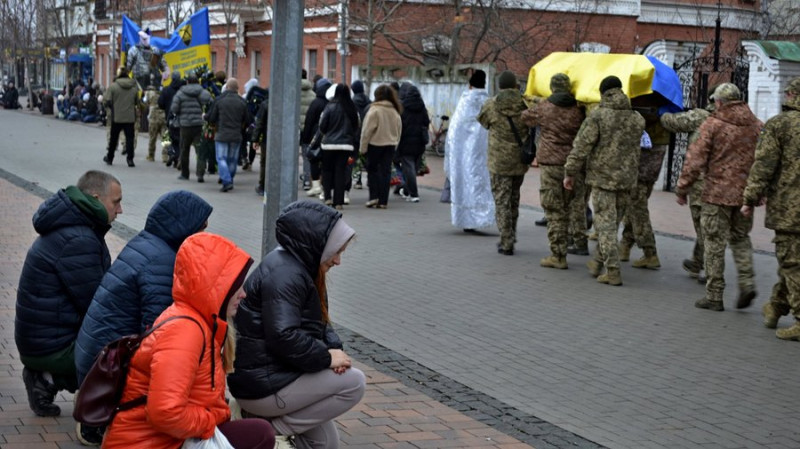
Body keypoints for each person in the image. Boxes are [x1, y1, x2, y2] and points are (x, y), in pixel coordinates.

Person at [102, 233, 275, 449]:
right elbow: (165, 412)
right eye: (236, 286)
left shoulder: (200, 320)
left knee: (256, 432)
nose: (243, 294)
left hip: (169, 439)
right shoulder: (186, 331)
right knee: (260, 434)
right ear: (215, 285)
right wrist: (210, 420)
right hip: (150, 443)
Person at [229, 201, 366, 449]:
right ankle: (269, 430)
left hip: (279, 374)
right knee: (354, 382)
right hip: (263, 385)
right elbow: (283, 335)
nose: (338, 261)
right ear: (317, 245)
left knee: (325, 443)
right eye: (336, 251)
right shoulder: (287, 274)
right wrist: (325, 358)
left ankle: (266, 424)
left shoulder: (301, 266)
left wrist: (335, 350)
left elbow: (319, 324)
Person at [75, 190, 212, 384]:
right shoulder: (163, 262)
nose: (203, 235)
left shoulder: (146, 243)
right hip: (105, 372)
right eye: (201, 228)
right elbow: (158, 333)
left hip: (96, 359)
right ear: (184, 226)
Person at [15, 171, 122, 419]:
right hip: (49, 346)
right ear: (96, 198)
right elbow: (96, 304)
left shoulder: (78, 227)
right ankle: (47, 378)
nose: (121, 210)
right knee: (119, 353)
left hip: (43, 339)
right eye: (116, 202)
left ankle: (45, 376)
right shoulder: (79, 238)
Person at [676, 83, 761, 311]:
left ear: (720, 101)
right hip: (745, 195)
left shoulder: (712, 125)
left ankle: (714, 295)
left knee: (714, 243)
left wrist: (683, 187)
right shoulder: (756, 126)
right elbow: (764, 161)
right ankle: (747, 282)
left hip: (716, 193)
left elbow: (695, 159)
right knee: (741, 239)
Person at [564, 75, 645, 285]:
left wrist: (570, 171)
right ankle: (598, 261)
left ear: (602, 93)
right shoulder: (637, 117)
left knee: (605, 226)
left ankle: (613, 270)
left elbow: (581, 147)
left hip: (603, 179)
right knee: (612, 223)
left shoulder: (598, 117)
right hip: (627, 180)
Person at [742, 77, 800, 339]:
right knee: (794, 261)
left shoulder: (780, 125)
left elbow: (764, 164)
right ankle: (775, 307)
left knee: (791, 263)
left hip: (790, 208)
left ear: (791, 96)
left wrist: (750, 198)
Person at [521, 73, 584, 267]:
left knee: (554, 209)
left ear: (552, 87)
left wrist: (537, 101)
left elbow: (524, 118)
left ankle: (558, 255)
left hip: (550, 165)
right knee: (570, 206)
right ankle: (576, 240)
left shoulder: (545, 107)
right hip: (573, 166)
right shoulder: (579, 109)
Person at [478, 71, 530, 255]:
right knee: (514, 199)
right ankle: (512, 233)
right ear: (516, 84)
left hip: (499, 162)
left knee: (501, 201)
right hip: (519, 160)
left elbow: (483, 123)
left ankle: (506, 241)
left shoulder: (490, 105)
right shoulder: (525, 104)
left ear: (500, 85)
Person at [660, 102, 713, 283]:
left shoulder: (701, 116)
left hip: (702, 185)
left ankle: (711, 272)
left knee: (706, 228)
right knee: (710, 227)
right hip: (730, 186)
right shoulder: (745, 121)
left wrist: (663, 112)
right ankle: (697, 262)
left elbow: (673, 123)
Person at [446, 69, 495, 232]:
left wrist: (453, 152)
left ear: (470, 83)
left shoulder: (464, 101)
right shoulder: (488, 102)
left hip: (462, 153)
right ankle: (482, 217)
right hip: (481, 151)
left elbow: (454, 129)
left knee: (463, 182)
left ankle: (465, 219)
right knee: (480, 182)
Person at [618, 112, 668, 269]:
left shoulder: (635, 111)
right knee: (636, 207)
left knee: (637, 210)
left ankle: (650, 253)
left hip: (639, 162)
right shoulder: (664, 107)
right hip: (655, 159)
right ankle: (625, 244)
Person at [316, 84, 361, 209]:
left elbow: (322, 125)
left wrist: (327, 134)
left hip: (329, 145)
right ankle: (339, 201)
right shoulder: (352, 108)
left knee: (327, 171)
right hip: (346, 146)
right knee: (340, 172)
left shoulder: (329, 107)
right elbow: (357, 127)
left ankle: (328, 197)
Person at [205, 78, 252, 192]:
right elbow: (249, 119)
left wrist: (206, 118)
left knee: (221, 158)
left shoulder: (219, 100)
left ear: (226, 87)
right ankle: (229, 178)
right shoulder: (242, 102)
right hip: (236, 135)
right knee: (233, 159)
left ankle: (226, 180)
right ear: (237, 89)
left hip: (221, 134)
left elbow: (211, 117)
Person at [360, 84, 402, 209]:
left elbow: (367, 130)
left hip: (375, 144)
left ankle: (374, 197)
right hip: (390, 144)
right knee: (386, 172)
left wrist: (363, 147)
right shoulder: (395, 111)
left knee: (372, 170)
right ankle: (383, 200)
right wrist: (395, 144)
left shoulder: (375, 110)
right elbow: (398, 130)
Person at [172, 72, 212, 182]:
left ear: (187, 81)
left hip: (185, 125)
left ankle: (185, 174)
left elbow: (174, 109)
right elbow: (210, 103)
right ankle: (200, 174)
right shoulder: (202, 92)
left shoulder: (180, 93)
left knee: (184, 150)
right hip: (198, 125)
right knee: (200, 150)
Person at [395, 83, 430, 203]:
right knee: (413, 168)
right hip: (419, 142)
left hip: (406, 141)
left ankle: (413, 193)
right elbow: (426, 121)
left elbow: (399, 124)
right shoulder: (422, 107)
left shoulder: (403, 107)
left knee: (408, 167)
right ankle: (407, 190)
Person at [103, 67, 140, 167]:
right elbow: (138, 102)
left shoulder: (113, 87)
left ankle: (110, 158)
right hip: (130, 118)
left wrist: (111, 107)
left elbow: (106, 100)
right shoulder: (134, 87)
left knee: (113, 139)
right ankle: (130, 159)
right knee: (130, 139)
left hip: (117, 117)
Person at [302, 78, 332, 197]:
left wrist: (305, 138)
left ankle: (316, 186)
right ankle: (325, 187)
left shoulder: (316, 102)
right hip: (329, 137)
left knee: (314, 160)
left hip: (315, 136)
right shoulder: (331, 103)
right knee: (327, 163)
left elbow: (309, 121)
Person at [159, 72, 184, 168]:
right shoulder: (183, 90)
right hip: (182, 118)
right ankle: (177, 157)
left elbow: (160, 103)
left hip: (170, 118)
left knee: (168, 137)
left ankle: (172, 153)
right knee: (180, 139)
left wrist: (166, 107)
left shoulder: (166, 90)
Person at [300, 70, 316, 191]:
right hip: (308, 129)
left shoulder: (292, 91)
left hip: (293, 129)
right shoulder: (313, 94)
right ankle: (307, 180)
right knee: (307, 156)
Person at [253, 87, 271, 196]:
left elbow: (259, 123)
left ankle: (263, 185)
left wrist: (255, 139)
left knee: (264, 162)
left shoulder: (265, 104)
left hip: (266, 137)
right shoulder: (284, 103)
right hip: (281, 138)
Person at [144, 83, 167, 162]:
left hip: (153, 118)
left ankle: (151, 155)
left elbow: (145, 103)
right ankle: (165, 156)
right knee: (165, 138)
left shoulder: (149, 94)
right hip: (163, 117)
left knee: (152, 138)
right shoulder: (163, 94)